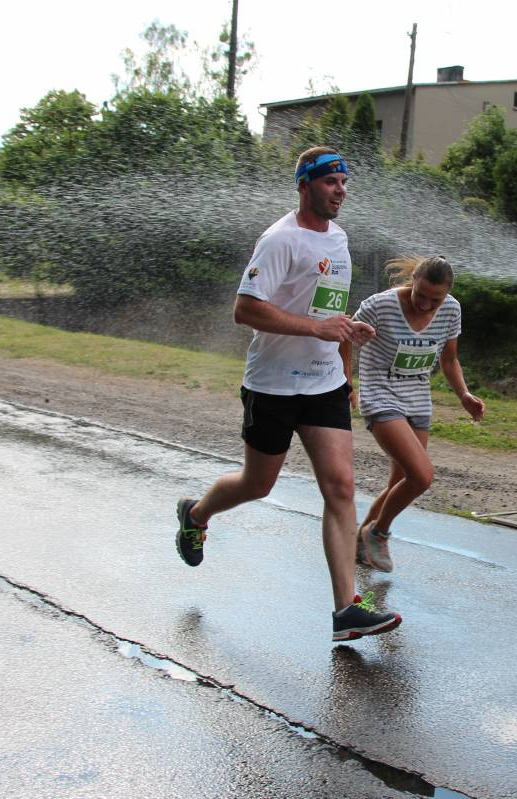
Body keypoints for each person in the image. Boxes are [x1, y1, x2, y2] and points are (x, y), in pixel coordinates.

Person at [174, 146, 402, 642]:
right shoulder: (279, 240)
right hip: (273, 384)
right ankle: (196, 514)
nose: (340, 191)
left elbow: (328, 312)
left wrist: (344, 350)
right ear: (305, 185)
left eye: (344, 183)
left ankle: (346, 610)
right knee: (258, 484)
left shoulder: (339, 239)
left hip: (324, 383)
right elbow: (246, 310)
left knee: (340, 487)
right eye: (329, 182)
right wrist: (315, 328)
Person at [341, 255, 485, 572]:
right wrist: (346, 381)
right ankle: (378, 532)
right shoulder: (379, 305)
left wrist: (463, 394)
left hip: (418, 395)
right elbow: (345, 338)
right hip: (381, 392)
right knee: (421, 476)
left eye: (435, 299)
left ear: (446, 294)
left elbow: (449, 360)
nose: (425, 305)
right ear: (413, 282)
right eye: (421, 295)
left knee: (402, 480)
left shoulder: (451, 309)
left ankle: (360, 543)